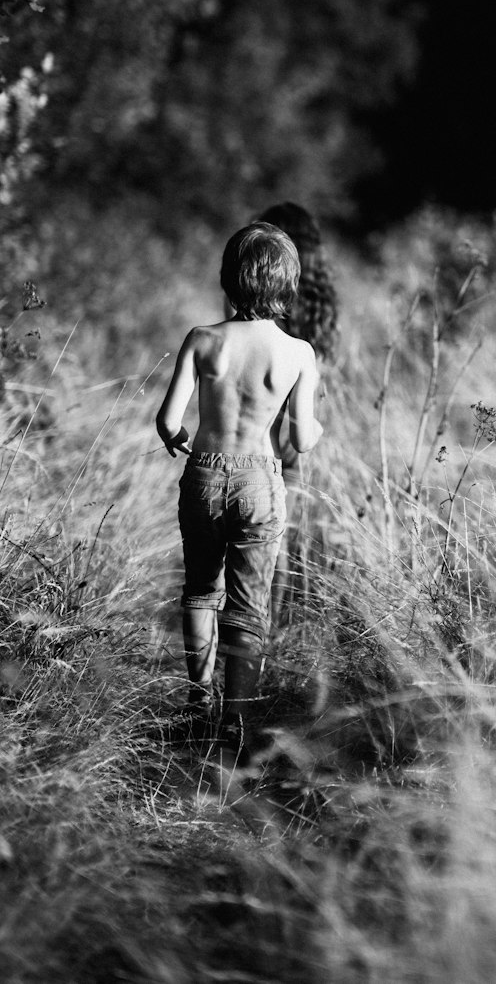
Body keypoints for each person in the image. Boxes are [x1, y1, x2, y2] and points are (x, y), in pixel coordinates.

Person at [155, 222, 324, 746]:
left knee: (202, 590)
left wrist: (182, 437)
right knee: (249, 604)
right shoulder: (298, 353)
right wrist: (311, 424)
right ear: (288, 285)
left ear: (228, 280)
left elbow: (166, 420)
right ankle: (237, 716)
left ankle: (197, 698)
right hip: (259, 480)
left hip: (204, 471)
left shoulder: (203, 340)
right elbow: (303, 437)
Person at [256, 202, 338, 620]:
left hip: (262, 415)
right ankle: (272, 626)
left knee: (258, 525)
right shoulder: (321, 301)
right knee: (281, 526)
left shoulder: (256, 286)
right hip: (302, 412)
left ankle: (248, 619)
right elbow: (326, 365)